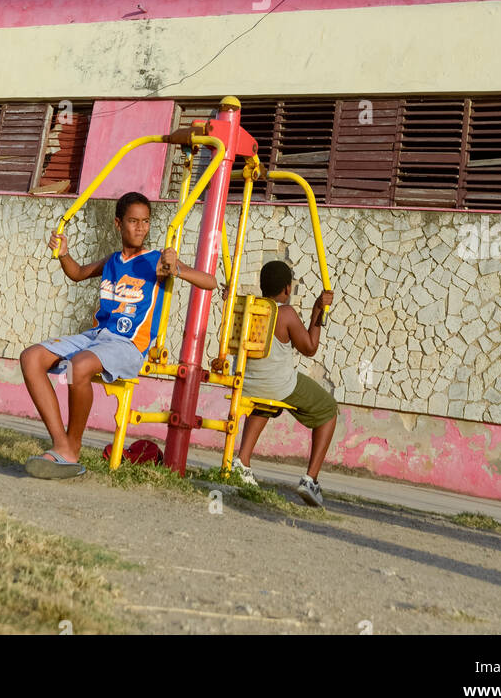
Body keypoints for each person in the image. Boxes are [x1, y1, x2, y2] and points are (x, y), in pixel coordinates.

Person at [20, 191, 217, 478]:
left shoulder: (157, 261)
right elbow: (77, 273)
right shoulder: (113, 260)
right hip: (98, 336)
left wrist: (177, 269)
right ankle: (61, 444)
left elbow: (209, 282)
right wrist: (63, 253)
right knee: (31, 358)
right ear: (118, 224)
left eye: (146, 221)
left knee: (78, 367)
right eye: (133, 221)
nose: (140, 228)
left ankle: (71, 449)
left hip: (128, 345)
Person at [232, 259, 336, 507]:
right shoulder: (285, 313)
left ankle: (242, 462)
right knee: (329, 409)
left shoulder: (250, 306)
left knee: (265, 404)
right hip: (278, 384)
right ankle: (311, 480)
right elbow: (309, 348)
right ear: (287, 289)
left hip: (248, 383)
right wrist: (316, 313)